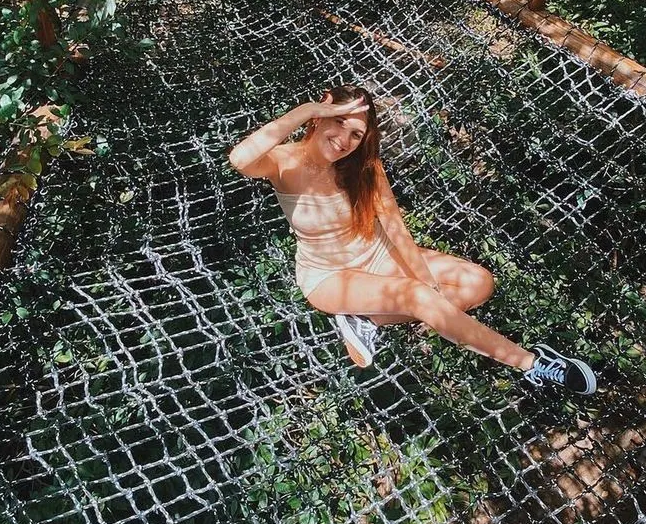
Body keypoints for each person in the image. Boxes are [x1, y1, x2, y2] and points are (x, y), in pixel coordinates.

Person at [227, 85, 597, 396]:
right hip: (330, 276)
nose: (344, 140)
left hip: (379, 254)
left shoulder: (362, 167)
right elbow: (240, 158)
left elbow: (394, 226)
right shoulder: (284, 162)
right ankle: (534, 364)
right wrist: (308, 108)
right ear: (320, 117)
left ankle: (368, 319)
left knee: (478, 283)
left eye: (356, 134)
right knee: (419, 298)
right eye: (339, 122)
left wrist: (429, 284)